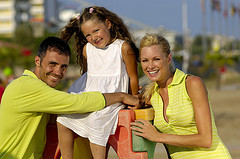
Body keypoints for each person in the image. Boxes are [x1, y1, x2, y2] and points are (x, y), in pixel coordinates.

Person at [0, 37, 139, 159]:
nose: (58, 72)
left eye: (63, 66)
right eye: (52, 64)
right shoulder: (26, 86)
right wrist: (121, 96)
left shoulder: (33, 89)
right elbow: (76, 102)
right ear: (37, 61)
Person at [56, 6, 139, 159]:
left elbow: (133, 76)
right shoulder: (88, 49)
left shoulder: (123, 47)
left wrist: (134, 98)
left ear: (108, 24)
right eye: (88, 35)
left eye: (96, 31)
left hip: (113, 96)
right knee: (62, 118)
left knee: (96, 120)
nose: (93, 37)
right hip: (91, 95)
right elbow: (89, 76)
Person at [130, 34, 232, 159]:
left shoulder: (192, 84)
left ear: (168, 59)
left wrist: (158, 136)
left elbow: (206, 139)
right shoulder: (150, 95)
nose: (150, 66)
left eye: (156, 59)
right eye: (145, 60)